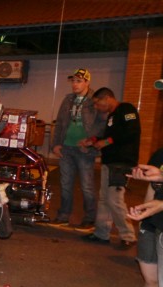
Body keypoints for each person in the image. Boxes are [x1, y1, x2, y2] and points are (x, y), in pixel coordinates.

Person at [80, 87, 140, 248]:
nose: (97, 107)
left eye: (97, 103)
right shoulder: (112, 117)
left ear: (107, 98)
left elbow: (131, 132)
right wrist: (93, 140)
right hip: (109, 162)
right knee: (104, 199)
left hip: (121, 163)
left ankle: (128, 236)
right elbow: (110, 137)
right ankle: (101, 233)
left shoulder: (126, 109)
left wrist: (106, 142)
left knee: (114, 200)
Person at [51, 69, 106, 228]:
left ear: (87, 82)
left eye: (78, 81)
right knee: (65, 184)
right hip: (66, 148)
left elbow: (101, 124)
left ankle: (90, 217)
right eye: (73, 81)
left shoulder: (94, 100)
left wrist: (91, 141)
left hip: (84, 150)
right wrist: (55, 144)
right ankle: (63, 215)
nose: (74, 84)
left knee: (87, 186)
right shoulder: (68, 99)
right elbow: (60, 123)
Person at [122, 148, 163, 287]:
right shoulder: (159, 155)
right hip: (154, 224)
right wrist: (144, 214)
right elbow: (152, 190)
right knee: (151, 281)